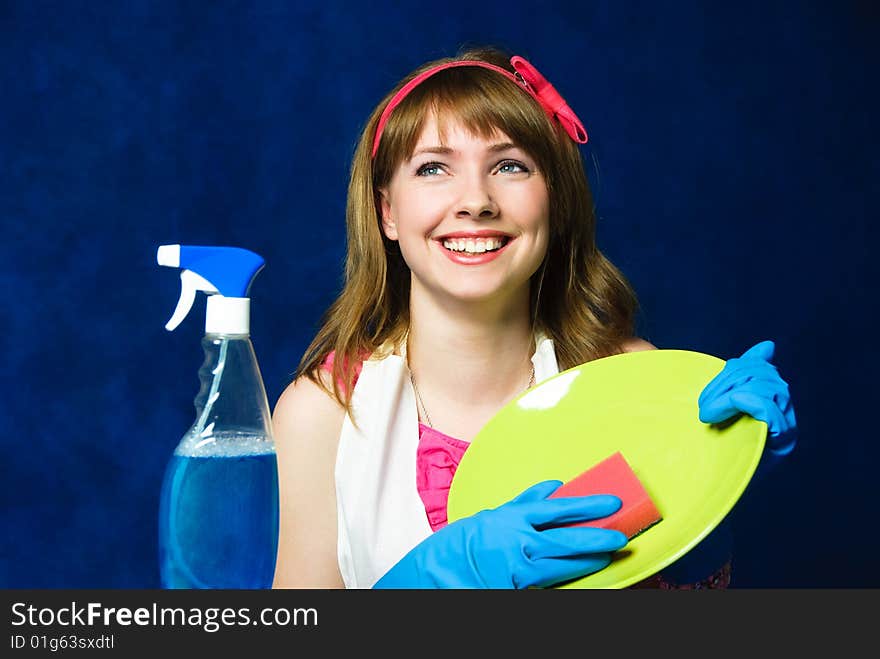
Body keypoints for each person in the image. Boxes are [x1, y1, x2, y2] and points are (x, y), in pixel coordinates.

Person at [271, 45, 797, 589]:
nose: (476, 200)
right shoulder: (323, 414)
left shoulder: (634, 380)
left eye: (509, 165)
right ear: (387, 213)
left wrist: (718, 470)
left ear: (554, 201)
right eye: (433, 168)